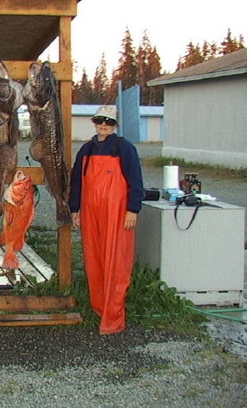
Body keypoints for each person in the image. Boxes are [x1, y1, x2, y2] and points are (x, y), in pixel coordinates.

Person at [68, 105, 144, 335]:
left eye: (109, 122)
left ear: (115, 126)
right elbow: (77, 182)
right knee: (94, 259)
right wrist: (75, 209)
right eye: (100, 120)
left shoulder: (125, 149)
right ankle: (99, 307)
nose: (104, 125)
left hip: (117, 214)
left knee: (116, 263)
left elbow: (136, 182)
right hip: (91, 213)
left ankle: (114, 318)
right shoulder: (86, 150)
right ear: (94, 122)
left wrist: (133, 209)